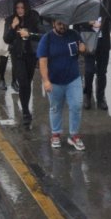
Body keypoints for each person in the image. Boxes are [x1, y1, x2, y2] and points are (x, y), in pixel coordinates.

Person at [37, 19, 86, 151]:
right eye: (59, 24)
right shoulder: (46, 39)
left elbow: (82, 48)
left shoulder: (74, 34)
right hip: (54, 81)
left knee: (76, 105)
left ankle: (74, 135)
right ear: (54, 24)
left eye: (64, 23)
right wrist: (46, 80)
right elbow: (42, 61)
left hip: (73, 79)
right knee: (55, 108)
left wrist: (83, 49)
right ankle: (55, 134)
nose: (62, 26)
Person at [75, 0, 111, 111]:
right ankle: (87, 95)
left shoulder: (109, 4)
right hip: (89, 42)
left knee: (102, 72)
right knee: (89, 71)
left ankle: (101, 98)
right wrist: (88, 23)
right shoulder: (84, 4)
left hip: (103, 43)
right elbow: (77, 23)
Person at [4, 0, 42, 127]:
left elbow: (41, 35)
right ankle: (25, 111)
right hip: (17, 55)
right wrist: (13, 27)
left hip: (31, 55)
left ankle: (25, 106)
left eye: (22, 8)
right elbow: (6, 39)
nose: (20, 10)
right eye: (17, 8)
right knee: (23, 82)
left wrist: (29, 34)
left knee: (28, 83)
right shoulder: (10, 19)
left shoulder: (34, 17)